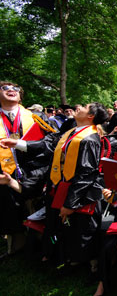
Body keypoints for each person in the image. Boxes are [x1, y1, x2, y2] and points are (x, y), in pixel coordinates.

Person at [1, 102, 108, 266]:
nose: (78, 107)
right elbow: (48, 145)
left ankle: (90, 267)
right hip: (60, 187)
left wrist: (70, 203)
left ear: (90, 116)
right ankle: (61, 258)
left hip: (78, 193)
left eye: (84, 107)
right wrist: (17, 144)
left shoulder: (89, 139)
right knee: (59, 227)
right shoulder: (71, 132)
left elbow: (86, 174)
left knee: (81, 230)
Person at [0, 81, 49, 256]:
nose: (11, 90)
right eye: (5, 88)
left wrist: (23, 145)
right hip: (5, 171)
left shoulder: (36, 117)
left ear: (21, 96)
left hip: (34, 170)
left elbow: (51, 142)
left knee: (34, 208)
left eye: (15, 89)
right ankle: (15, 246)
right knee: (9, 208)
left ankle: (40, 248)